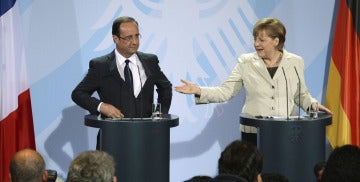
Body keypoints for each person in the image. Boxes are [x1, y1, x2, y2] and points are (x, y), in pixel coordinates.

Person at [175, 17, 332, 144]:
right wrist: (199, 90)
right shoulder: (246, 62)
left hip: (287, 131)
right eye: (255, 39)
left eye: (262, 40)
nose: (256, 44)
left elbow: (300, 94)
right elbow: (226, 91)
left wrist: (312, 104)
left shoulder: (296, 62)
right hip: (254, 132)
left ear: (276, 41)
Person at [72, 16, 172, 145]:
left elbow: (166, 87)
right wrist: (101, 106)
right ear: (115, 39)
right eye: (129, 38)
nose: (135, 42)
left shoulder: (150, 61)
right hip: (113, 139)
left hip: (147, 139)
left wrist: (160, 115)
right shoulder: (100, 66)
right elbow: (78, 93)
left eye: (137, 36)